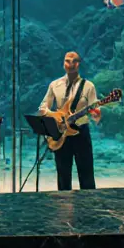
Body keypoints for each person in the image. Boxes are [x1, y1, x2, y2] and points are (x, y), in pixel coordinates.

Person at [37, 51, 102, 190]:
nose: (71, 64)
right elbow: (43, 107)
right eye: (67, 61)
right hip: (61, 132)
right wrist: (55, 115)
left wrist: (96, 115)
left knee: (86, 174)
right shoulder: (54, 85)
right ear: (63, 63)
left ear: (79, 64)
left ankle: (89, 203)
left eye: (74, 61)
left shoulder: (88, 86)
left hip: (81, 132)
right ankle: (63, 203)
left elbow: (95, 109)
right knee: (63, 174)